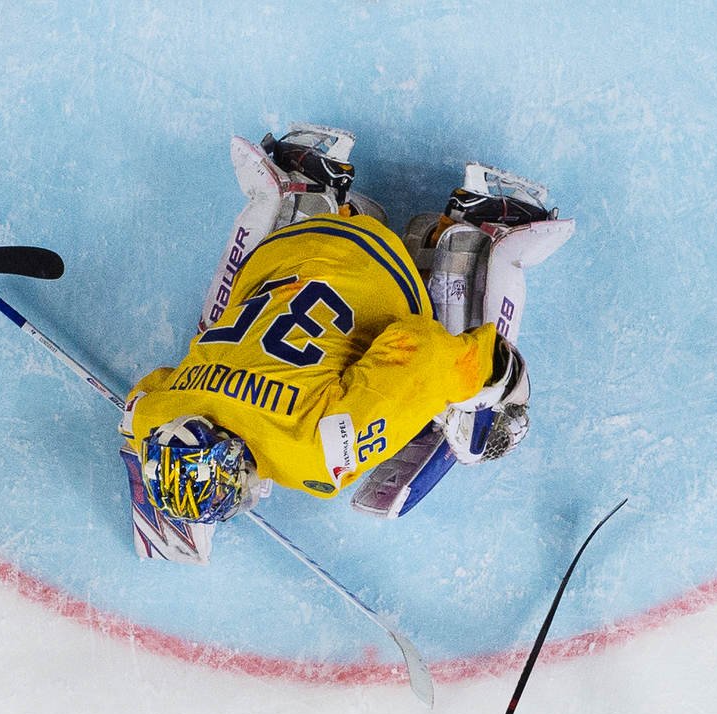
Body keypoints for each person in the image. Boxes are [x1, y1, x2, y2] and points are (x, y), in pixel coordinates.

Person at [119, 125, 575, 561]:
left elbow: (421, 351)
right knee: (210, 334)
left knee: (473, 428)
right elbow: (137, 410)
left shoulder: (314, 456)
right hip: (285, 250)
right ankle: (306, 185)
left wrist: (497, 377)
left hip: (379, 264)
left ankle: (481, 229)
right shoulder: (155, 414)